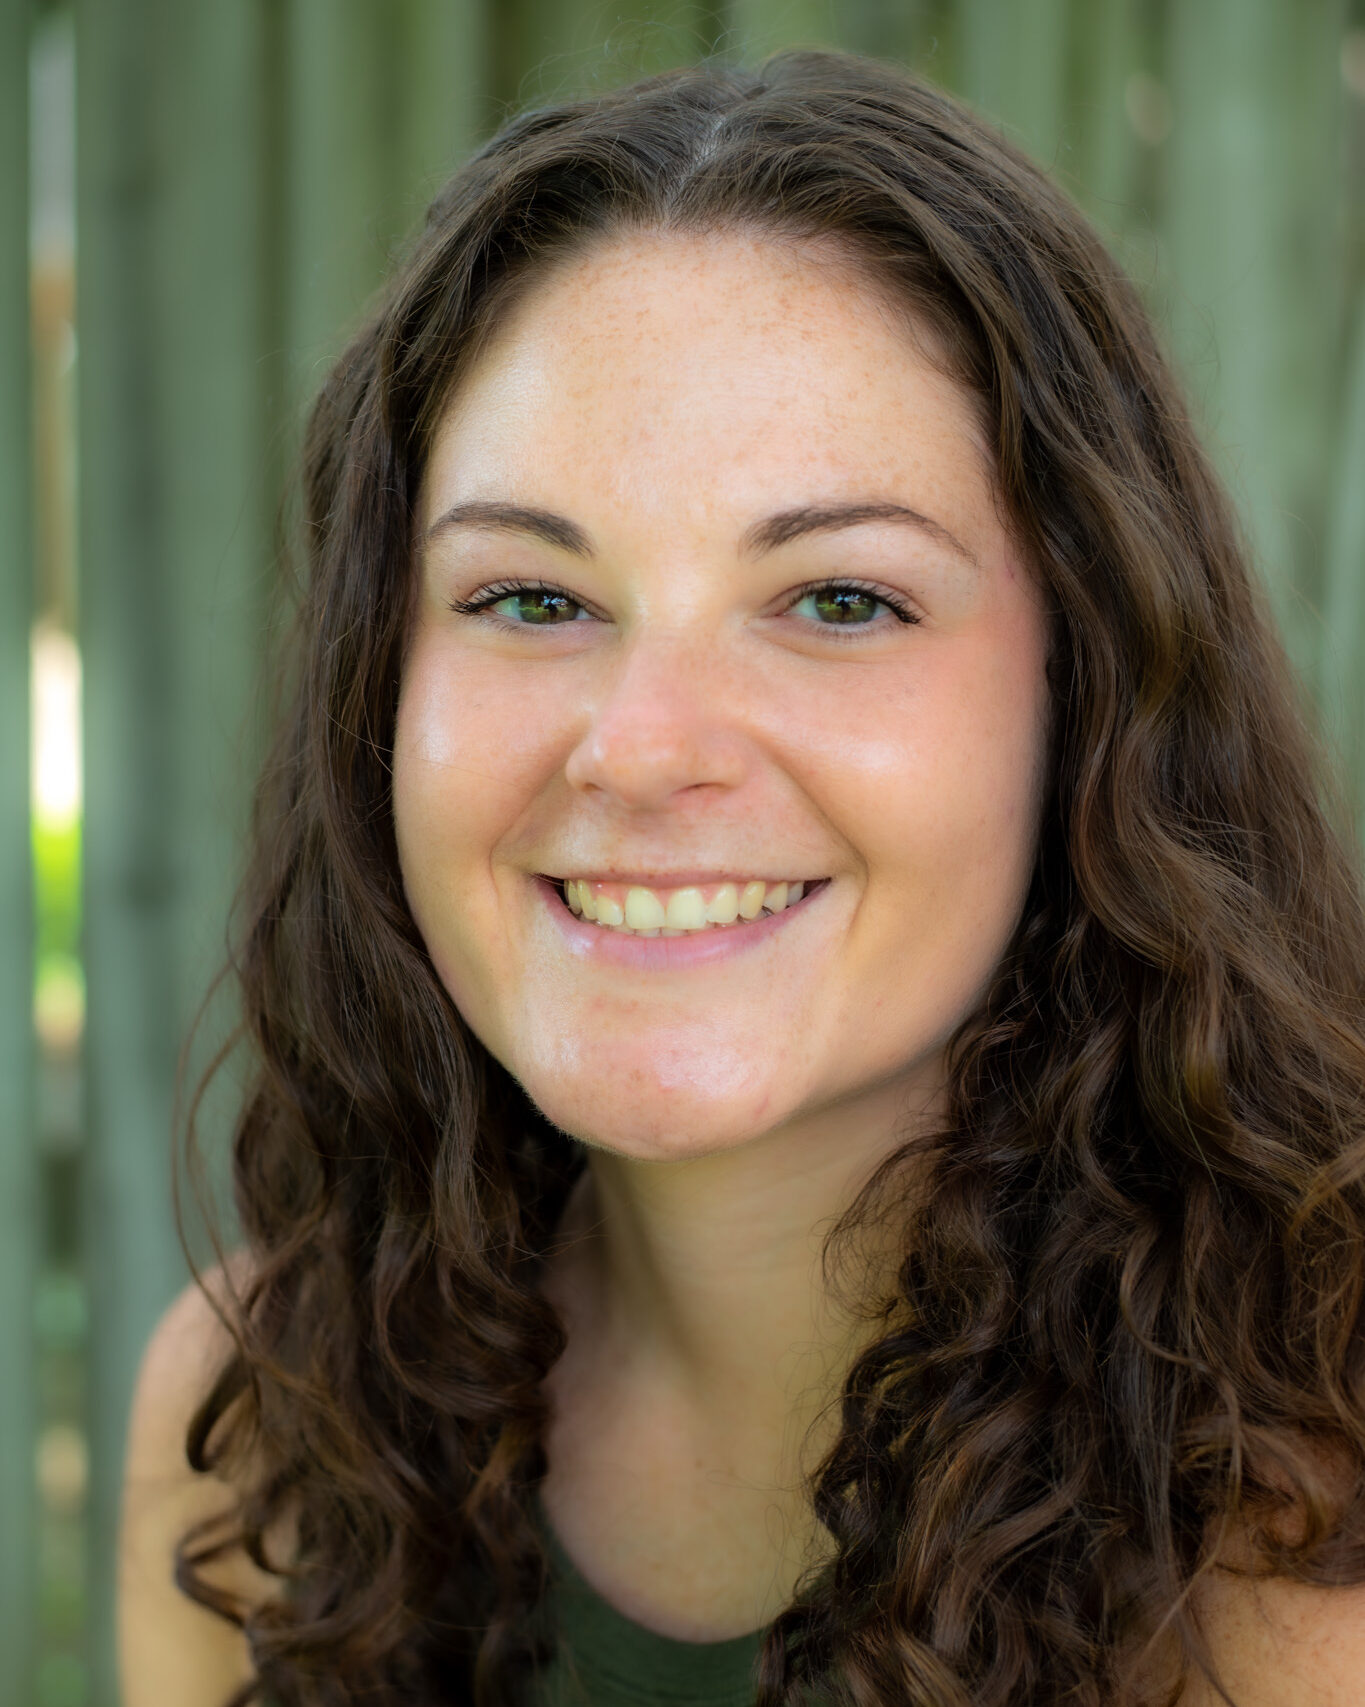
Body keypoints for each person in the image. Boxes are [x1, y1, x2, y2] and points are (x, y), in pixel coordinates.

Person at [118, 47, 1365, 1707]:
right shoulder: (262, 1425)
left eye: (838, 600)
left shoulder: (1305, 1554)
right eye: (530, 599)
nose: (638, 748)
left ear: (1088, 699)